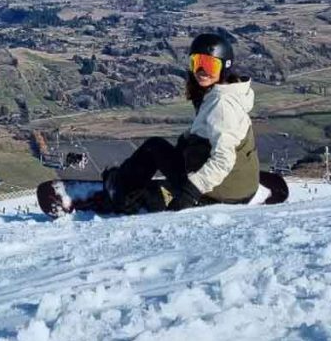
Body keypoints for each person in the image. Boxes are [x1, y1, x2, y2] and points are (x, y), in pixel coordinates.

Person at [105, 33, 260, 212]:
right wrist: (185, 140)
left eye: (210, 65)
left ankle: (119, 192)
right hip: (238, 187)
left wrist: (188, 194)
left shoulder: (222, 104)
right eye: (197, 63)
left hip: (221, 194)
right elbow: (209, 128)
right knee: (162, 150)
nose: (202, 71)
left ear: (224, 68)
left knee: (153, 148)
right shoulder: (227, 93)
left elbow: (224, 159)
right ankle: (131, 184)